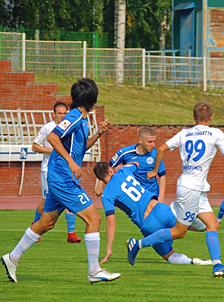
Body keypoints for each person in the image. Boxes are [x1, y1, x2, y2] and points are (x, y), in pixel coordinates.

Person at [1, 78, 120, 284]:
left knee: (46, 223)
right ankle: (94, 271)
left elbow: (82, 149)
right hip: (62, 178)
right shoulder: (74, 116)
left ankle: (12, 258)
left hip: (60, 177)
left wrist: (99, 133)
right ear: (92, 98)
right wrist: (71, 163)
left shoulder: (82, 119)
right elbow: (54, 137)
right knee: (94, 219)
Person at [129, 101, 224, 278]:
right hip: (192, 189)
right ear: (211, 117)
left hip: (193, 187)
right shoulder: (216, 133)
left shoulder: (185, 133)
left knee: (212, 224)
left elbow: (161, 149)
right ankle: (138, 244)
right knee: (179, 232)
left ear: (193, 117)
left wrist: (154, 171)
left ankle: (218, 266)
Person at [93, 161, 212, 266]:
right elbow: (136, 163)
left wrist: (109, 248)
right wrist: (118, 169)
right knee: (195, 228)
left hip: (147, 223)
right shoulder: (123, 171)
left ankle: (193, 262)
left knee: (169, 255)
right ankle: (198, 216)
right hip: (160, 210)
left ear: (99, 178)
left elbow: (111, 222)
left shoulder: (106, 195)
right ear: (110, 169)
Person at [31, 101, 81, 243]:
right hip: (49, 170)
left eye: (65, 113)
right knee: (46, 202)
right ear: (54, 114)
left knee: (70, 199)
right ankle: (35, 227)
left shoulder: (70, 128)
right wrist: (54, 151)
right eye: (60, 113)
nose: (62, 116)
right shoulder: (48, 128)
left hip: (66, 170)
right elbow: (35, 147)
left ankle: (71, 233)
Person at [94, 126, 166, 202]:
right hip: (134, 196)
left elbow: (162, 175)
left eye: (154, 141)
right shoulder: (125, 153)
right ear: (140, 140)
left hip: (152, 195)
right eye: (149, 142)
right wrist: (99, 185)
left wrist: (161, 198)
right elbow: (107, 168)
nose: (153, 145)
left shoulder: (156, 154)